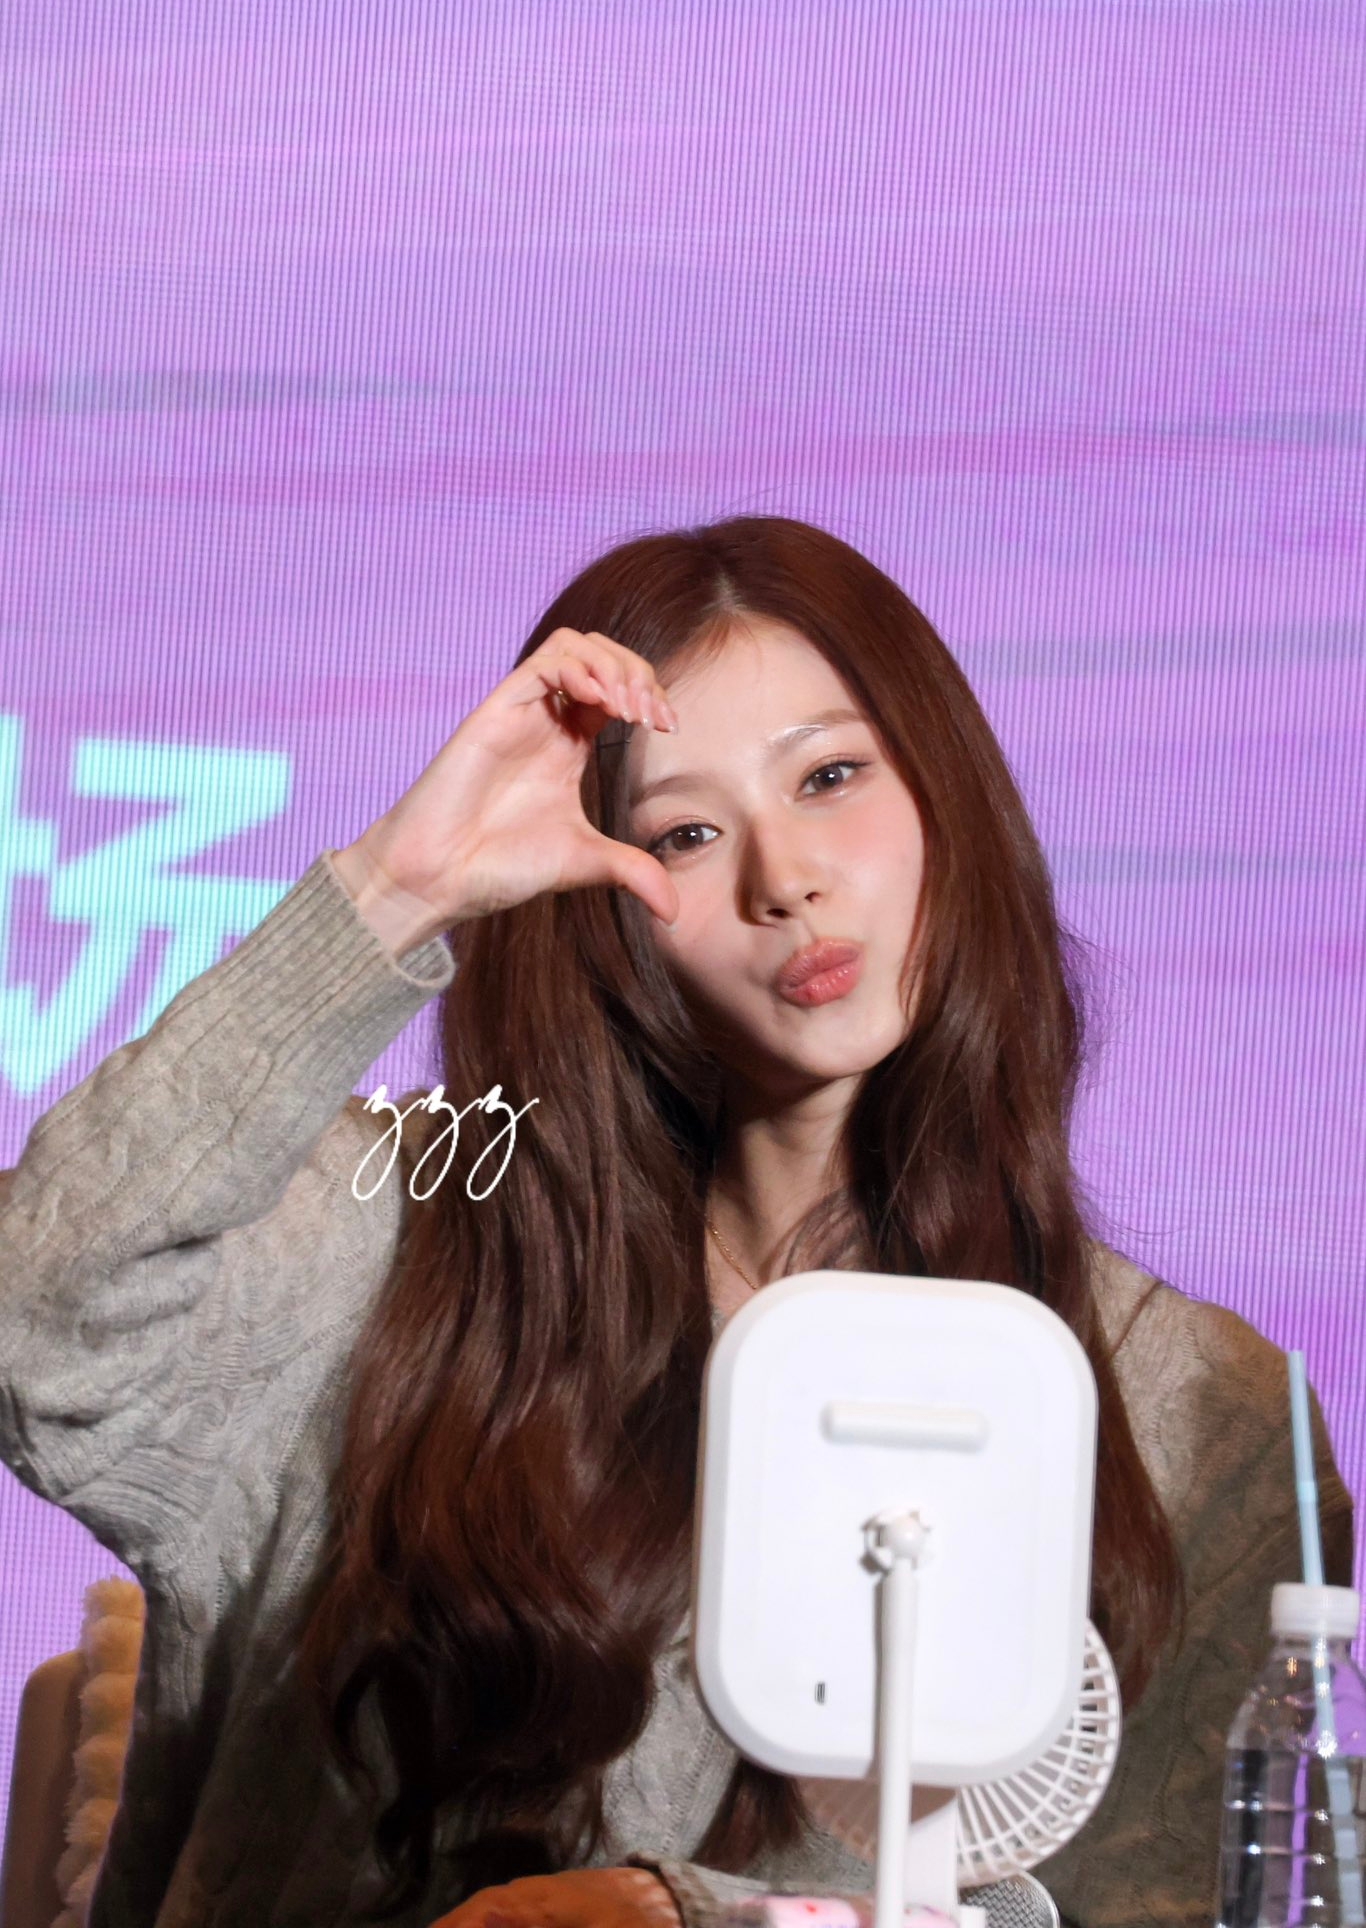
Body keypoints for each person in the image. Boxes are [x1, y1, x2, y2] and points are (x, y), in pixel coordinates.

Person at [0, 516, 1352, 1928]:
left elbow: (1176, 1903)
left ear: (946, 793)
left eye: (830, 777)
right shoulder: (397, 1228)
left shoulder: (1194, 1410)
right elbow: (35, 1322)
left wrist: (684, 1916)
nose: (785, 881)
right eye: (685, 834)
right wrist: (401, 886)